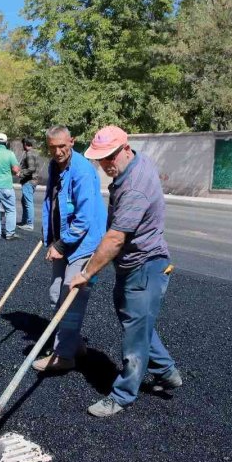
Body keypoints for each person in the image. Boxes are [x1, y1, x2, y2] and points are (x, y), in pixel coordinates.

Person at [68, 125, 179, 417]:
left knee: (134, 336)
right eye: (101, 159)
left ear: (125, 149)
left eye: (110, 156)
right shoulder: (133, 165)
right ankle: (166, 371)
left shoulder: (135, 188)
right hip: (132, 264)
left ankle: (122, 395)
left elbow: (116, 237)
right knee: (135, 322)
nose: (106, 164)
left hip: (145, 266)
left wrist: (87, 273)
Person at [32, 125, 107, 373]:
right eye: (52, 147)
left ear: (72, 142)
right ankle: (74, 344)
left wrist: (61, 244)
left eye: (62, 146)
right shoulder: (54, 166)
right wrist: (50, 238)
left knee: (71, 298)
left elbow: (84, 218)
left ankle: (63, 356)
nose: (58, 152)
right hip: (63, 241)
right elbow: (52, 203)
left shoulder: (82, 171)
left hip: (84, 243)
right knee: (56, 294)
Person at [17, 138, 39, 231]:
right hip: (31, 181)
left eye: (23, 144)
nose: (22, 146)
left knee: (28, 202)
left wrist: (21, 173)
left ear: (25, 144)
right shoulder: (34, 152)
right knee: (24, 201)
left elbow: (31, 168)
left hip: (29, 181)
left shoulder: (29, 153)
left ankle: (29, 224)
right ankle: (24, 221)